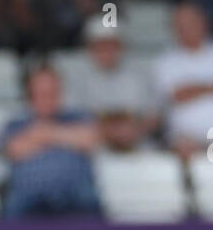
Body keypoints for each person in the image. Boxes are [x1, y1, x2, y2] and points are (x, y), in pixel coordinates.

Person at [0, 66, 101, 217]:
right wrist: (66, 136)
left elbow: (89, 140)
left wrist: (43, 134)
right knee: (13, 207)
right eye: (41, 94)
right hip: (29, 194)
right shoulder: (16, 123)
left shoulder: (78, 116)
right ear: (30, 95)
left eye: (52, 93)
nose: (47, 98)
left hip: (75, 192)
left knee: (89, 201)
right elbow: (14, 150)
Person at [154, 1, 213, 160]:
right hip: (185, 140)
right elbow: (178, 95)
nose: (187, 28)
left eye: (191, 22)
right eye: (180, 24)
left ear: (204, 22)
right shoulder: (165, 61)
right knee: (181, 150)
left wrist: (195, 87)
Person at [62, 15, 157, 152]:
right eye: (100, 46)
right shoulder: (77, 79)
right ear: (90, 48)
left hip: (137, 144)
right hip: (93, 146)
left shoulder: (137, 77)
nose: (106, 51)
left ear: (121, 47)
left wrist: (136, 129)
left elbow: (154, 116)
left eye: (111, 45)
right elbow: (71, 118)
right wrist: (108, 132)